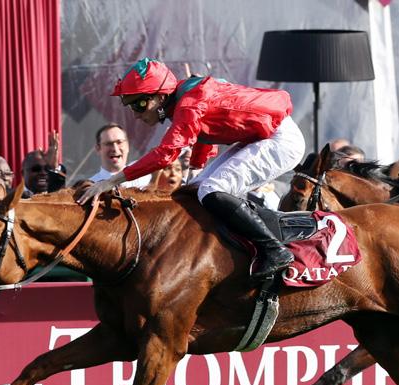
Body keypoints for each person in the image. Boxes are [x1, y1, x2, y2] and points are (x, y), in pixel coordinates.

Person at [78, 57, 306, 280]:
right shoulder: (183, 99)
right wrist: (195, 169)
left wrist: (110, 181)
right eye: (131, 107)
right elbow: (206, 132)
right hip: (261, 137)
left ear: (160, 96)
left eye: (140, 104)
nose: (136, 114)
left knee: (211, 190)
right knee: (194, 191)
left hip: (280, 140)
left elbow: (165, 154)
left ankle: (274, 250)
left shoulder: (187, 104)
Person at [90, 123, 150, 189]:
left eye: (119, 142)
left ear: (128, 146)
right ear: (98, 149)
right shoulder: (91, 187)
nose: (115, 149)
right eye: (108, 144)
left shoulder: (144, 177)